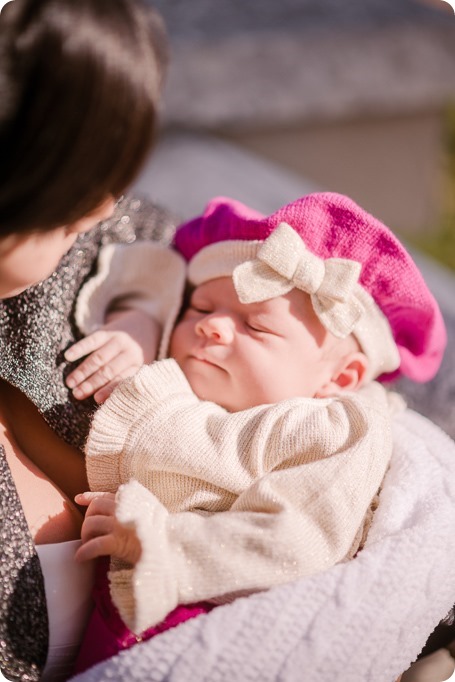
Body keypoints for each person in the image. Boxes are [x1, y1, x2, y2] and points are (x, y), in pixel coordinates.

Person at [65, 193, 446, 672]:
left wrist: (165, 543)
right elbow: (149, 272)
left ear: (339, 379)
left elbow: (298, 537)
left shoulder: (330, 429)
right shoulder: (193, 372)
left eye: (256, 326)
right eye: (199, 307)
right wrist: (139, 322)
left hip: (203, 605)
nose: (213, 328)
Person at [0, 0, 175, 680]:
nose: (107, 203)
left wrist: (139, 313)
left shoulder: (95, 247)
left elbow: (158, 241)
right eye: (85, 178)